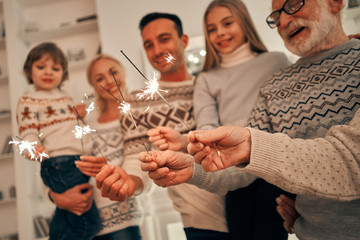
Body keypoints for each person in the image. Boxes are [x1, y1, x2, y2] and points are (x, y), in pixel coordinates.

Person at [140, 0, 360, 239]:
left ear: (335, 2)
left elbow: (348, 158)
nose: (284, 21)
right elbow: (236, 157)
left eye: (294, 4)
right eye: (276, 17)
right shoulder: (273, 87)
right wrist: (193, 168)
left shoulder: (275, 64)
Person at [147, 1, 292, 239]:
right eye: (212, 29)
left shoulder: (276, 62)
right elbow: (207, 129)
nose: (220, 33)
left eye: (227, 23)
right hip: (234, 175)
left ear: (243, 22)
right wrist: (185, 141)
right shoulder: (206, 78)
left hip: (273, 172)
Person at [96, 12, 230, 239]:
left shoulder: (213, 87)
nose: (157, 50)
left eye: (164, 39)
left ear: (184, 41)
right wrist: (132, 183)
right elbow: (136, 159)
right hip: (202, 222)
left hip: (251, 208)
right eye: (149, 45)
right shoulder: (136, 102)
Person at [48, 54, 144, 240]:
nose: (109, 81)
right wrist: (54, 196)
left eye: (113, 72)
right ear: (94, 87)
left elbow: (145, 170)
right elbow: (55, 164)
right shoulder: (86, 124)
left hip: (123, 224)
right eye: (99, 78)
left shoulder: (139, 117)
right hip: (81, 225)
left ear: (123, 73)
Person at [16, 42, 101, 240]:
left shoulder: (65, 98)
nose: (48, 72)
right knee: (87, 223)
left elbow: (72, 130)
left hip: (77, 162)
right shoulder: (28, 100)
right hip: (59, 163)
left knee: (70, 217)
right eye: (41, 67)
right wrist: (33, 149)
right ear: (29, 70)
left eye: (55, 68)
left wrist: (81, 116)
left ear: (63, 73)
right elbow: (28, 132)